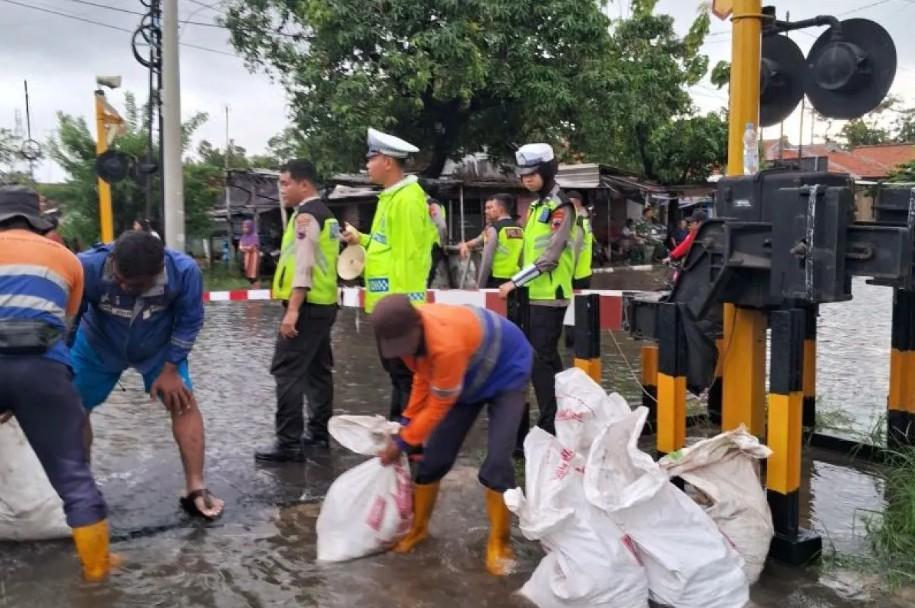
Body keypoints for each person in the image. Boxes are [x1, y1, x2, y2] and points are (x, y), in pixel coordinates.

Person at [0, 185, 115, 581]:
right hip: (43, 370)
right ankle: (98, 577)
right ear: (38, 222)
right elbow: (65, 318)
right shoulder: (67, 260)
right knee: (73, 476)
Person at [372, 295, 533, 576]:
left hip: (508, 370)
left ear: (417, 327)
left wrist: (403, 441)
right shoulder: (408, 338)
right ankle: (419, 529)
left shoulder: (445, 345)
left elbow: (438, 405)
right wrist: (407, 420)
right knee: (433, 460)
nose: (402, 352)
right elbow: (423, 376)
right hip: (466, 376)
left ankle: (499, 542)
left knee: (497, 462)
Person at [71, 230, 224, 520]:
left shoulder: (184, 272)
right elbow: (71, 318)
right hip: (97, 344)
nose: (125, 287)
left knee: (183, 402)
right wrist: (58, 365)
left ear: (159, 271)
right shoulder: (86, 266)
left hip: (158, 347)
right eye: (119, 279)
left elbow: (190, 321)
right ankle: (81, 487)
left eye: (138, 285)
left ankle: (195, 486)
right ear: (113, 260)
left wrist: (170, 369)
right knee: (73, 408)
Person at [341, 128, 433, 421]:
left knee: (405, 377)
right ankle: (400, 437)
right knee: (397, 376)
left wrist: (401, 310)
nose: (366, 166)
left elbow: (409, 257)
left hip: (398, 307)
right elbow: (386, 245)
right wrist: (361, 239)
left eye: (371, 159)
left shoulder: (407, 200)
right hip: (386, 305)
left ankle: (408, 443)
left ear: (388, 162)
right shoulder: (390, 198)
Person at [256, 160, 340, 462]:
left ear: (304, 184)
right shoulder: (327, 214)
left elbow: (304, 267)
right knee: (318, 371)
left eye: (285, 183)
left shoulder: (306, 217)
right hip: (325, 304)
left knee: (287, 371)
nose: (282, 190)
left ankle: (288, 444)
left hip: (306, 307)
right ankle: (318, 435)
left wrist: (292, 310)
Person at [498, 143, 577, 436]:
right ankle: (558, 420)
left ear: (546, 171)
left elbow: (550, 257)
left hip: (550, 295)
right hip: (533, 294)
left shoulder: (560, 205)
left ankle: (549, 425)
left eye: (532, 174)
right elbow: (528, 252)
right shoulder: (535, 206)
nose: (526, 180)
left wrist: (515, 281)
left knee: (540, 360)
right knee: (545, 359)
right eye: (523, 175)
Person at [458, 193, 523, 288]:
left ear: (500, 209)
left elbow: (486, 260)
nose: (486, 211)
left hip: (495, 280)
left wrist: (480, 286)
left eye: (490, 208)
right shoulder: (520, 229)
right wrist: (466, 245)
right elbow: (522, 257)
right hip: (515, 280)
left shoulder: (494, 229)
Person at [568, 190, 593, 289]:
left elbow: (575, 250)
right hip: (584, 272)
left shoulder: (577, 221)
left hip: (574, 274)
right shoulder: (584, 220)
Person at [426, 196, 448, 287]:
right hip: (432, 246)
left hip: (430, 246)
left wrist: (442, 243)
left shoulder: (432, 204)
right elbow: (442, 226)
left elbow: (441, 226)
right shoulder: (433, 204)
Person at [238, 219, 261, 287]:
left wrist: (245, 248)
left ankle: (256, 289)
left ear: (250, 227)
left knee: (254, 274)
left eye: (246, 227)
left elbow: (253, 247)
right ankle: (253, 287)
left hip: (254, 257)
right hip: (246, 257)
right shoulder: (243, 237)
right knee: (247, 273)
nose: (244, 229)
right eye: (243, 227)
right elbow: (240, 247)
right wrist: (245, 248)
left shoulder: (255, 236)